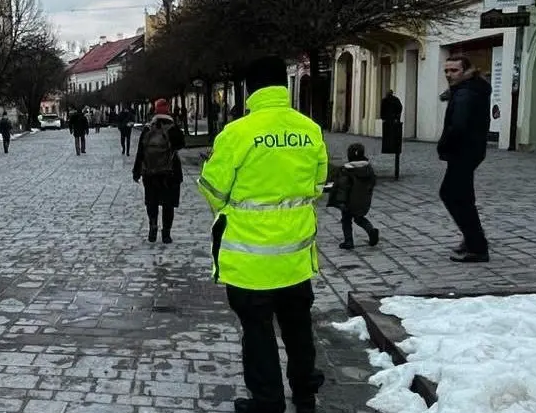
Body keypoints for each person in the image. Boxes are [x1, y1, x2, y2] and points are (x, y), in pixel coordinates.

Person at [197, 56, 328, 413]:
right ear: (283, 87)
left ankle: (268, 402)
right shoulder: (309, 129)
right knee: (299, 328)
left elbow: (213, 188)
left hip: (250, 259)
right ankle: (305, 395)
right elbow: (317, 185)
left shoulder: (237, 133)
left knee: (258, 332)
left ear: (250, 90)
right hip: (296, 257)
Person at [438, 54, 491, 262]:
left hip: (463, 151)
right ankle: (472, 239)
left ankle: (477, 246)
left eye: (454, 70)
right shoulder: (470, 88)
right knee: (460, 196)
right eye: (447, 71)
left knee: (454, 195)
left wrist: (444, 144)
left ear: (466, 71)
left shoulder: (465, 93)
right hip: (470, 150)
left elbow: (458, 126)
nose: (449, 75)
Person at [132, 99, 184, 243]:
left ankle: (153, 226)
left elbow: (140, 152)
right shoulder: (173, 128)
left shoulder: (148, 129)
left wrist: (136, 171)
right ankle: (166, 233)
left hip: (150, 172)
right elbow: (181, 144)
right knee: (168, 204)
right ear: (167, 110)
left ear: (155, 110)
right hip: (170, 172)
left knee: (152, 202)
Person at [327, 143, 380, 249]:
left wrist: (340, 202)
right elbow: (373, 182)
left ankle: (348, 241)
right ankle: (371, 231)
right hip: (363, 200)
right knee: (359, 218)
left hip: (348, 202)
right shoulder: (368, 169)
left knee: (346, 220)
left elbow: (343, 187)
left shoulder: (347, 171)